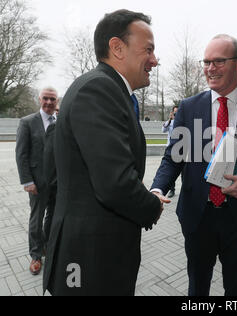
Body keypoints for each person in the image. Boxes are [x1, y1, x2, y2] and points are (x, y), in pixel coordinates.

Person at [150, 34, 237, 296]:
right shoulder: (188, 108)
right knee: (197, 287)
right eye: (206, 61)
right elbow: (173, 157)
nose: (210, 68)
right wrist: (157, 189)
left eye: (219, 61)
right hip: (197, 217)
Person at [43, 9, 164, 296]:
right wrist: (152, 205)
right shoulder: (99, 89)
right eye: (148, 50)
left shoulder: (109, 90)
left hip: (95, 253)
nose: (155, 61)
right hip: (89, 259)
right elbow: (115, 184)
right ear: (117, 48)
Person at [15, 87, 58, 276]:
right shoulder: (27, 122)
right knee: (36, 218)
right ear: (39, 99)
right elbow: (21, 154)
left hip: (57, 182)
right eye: (46, 99)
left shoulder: (60, 122)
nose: (49, 102)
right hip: (37, 182)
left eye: (53, 99)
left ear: (57, 102)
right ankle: (35, 254)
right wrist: (27, 181)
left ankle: (47, 247)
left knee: (52, 217)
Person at [162, 105, 179, 198]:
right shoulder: (170, 122)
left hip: (182, 148)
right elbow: (163, 130)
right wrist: (170, 119)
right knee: (171, 170)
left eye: (177, 112)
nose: (176, 114)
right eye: (174, 112)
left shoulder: (183, 121)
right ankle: (172, 189)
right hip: (171, 148)